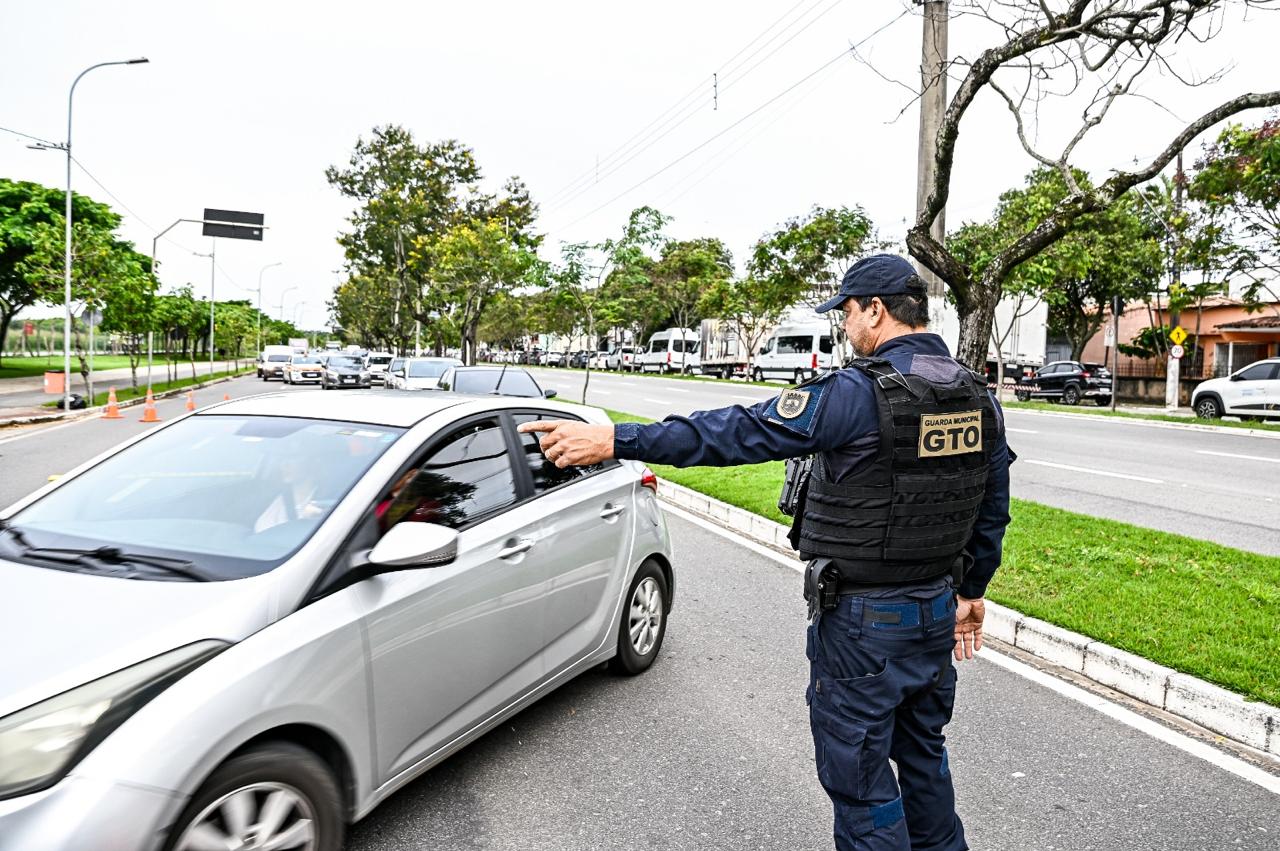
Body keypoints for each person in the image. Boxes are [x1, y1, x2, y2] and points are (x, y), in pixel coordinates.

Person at [517, 254, 1013, 851]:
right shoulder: (976, 396)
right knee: (925, 760)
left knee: (862, 786)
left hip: (864, 626)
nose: (845, 327)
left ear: (875, 310)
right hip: (936, 611)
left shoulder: (857, 393)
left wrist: (613, 439)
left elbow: (736, 432)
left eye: (847, 313)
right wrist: (972, 592)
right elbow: (992, 508)